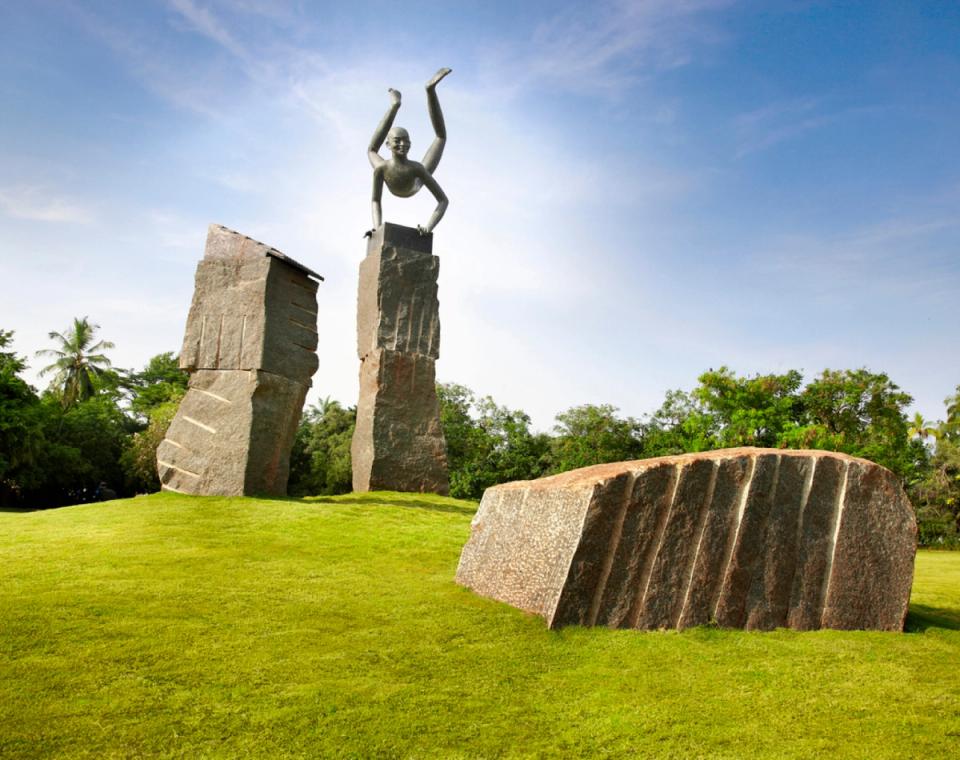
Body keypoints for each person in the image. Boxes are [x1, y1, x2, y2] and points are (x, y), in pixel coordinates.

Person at [367, 68, 451, 236]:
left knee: (441, 137)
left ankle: (430, 91)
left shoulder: (417, 169)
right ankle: (394, 105)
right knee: (370, 150)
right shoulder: (381, 169)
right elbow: (375, 200)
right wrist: (376, 228)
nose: (403, 144)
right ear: (388, 145)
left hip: (415, 182)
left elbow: (443, 200)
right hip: (391, 169)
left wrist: (428, 227)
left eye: (406, 140)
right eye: (397, 141)